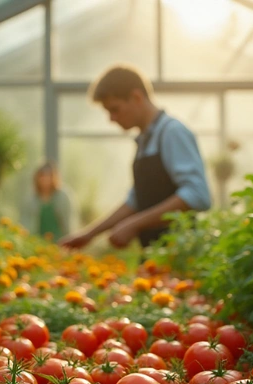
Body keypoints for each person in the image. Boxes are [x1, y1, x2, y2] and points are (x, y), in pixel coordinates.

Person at [59, 64, 211, 250]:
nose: (112, 119)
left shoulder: (172, 132)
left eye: (115, 109)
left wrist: (135, 223)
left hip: (179, 254)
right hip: (154, 255)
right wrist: (89, 234)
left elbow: (197, 195)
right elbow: (136, 200)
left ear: (137, 97)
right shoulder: (145, 141)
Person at [22, 163, 74, 242]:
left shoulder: (63, 196)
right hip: (38, 241)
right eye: (42, 176)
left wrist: (70, 240)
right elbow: (26, 223)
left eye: (48, 176)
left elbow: (69, 221)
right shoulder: (32, 199)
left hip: (60, 241)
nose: (45, 180)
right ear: (37, 178)